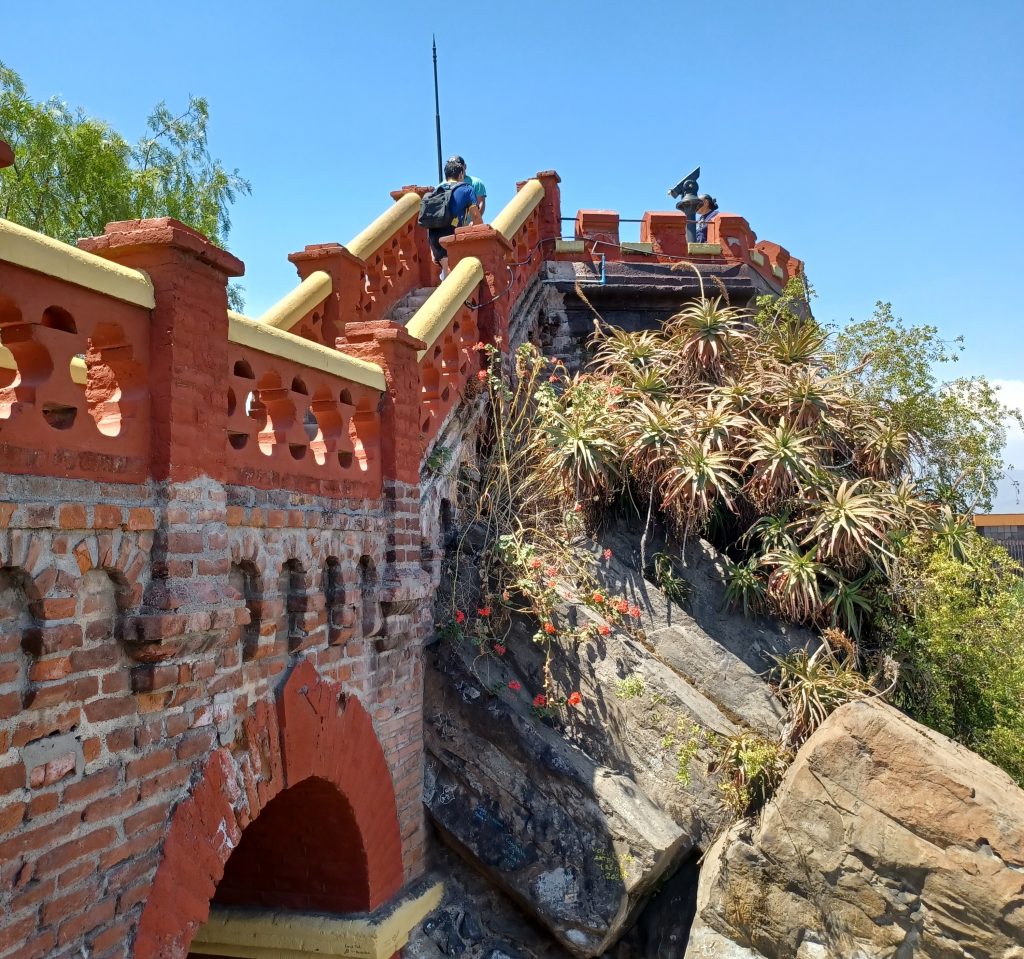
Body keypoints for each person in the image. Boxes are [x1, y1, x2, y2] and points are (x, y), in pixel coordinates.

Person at [427, 157, 482, 278]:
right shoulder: (467, 189)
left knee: (447, 275)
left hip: (434, 238)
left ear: (446, 176)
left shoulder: (436, 192)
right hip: (452, 235)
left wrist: (432, 249)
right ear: (461, 174)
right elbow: (476, 216)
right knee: (456, 275)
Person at [452, 154, 486, 221]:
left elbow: (480, 203)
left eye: (459, 166)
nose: (457, 169)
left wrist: (475, 221)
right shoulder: (443, 185)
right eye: (454, 167)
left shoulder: (476, 182)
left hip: (470, 225)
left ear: (465, 166)